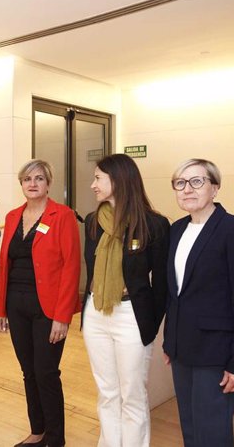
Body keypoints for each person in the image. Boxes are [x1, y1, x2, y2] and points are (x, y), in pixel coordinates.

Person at [163, 158, 234, 447]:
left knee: (213, 433)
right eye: (180, 183)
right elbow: (175, 294)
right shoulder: (177, 229)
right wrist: (171, 340)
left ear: (215, 188)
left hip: (217, 353)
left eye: (197, 181)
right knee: (191, 428)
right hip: (182, 349)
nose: (187, 189)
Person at [82, 154, 170, 447]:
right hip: (96, 312)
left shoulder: (154, 224)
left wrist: (149, 325)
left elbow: (161, 285)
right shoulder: (93, 221)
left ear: (118, 180)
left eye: (98, 178)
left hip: (132, 315)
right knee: (106, 392)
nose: (92, 185)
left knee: (132, 393)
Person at [0, 159, 81, 447]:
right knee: (28, 371)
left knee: (46, 372)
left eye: (39, 178)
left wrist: (63, 316)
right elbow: (5, 265)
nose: (32, 183)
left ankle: (56, 439)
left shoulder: (63, 215)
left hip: (48, 307)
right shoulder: (12, 216)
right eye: (27, 179)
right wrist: (1, 308)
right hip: (16, 304)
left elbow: (71, 266)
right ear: (21, 184)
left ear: (48, 183)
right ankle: (38, 431)